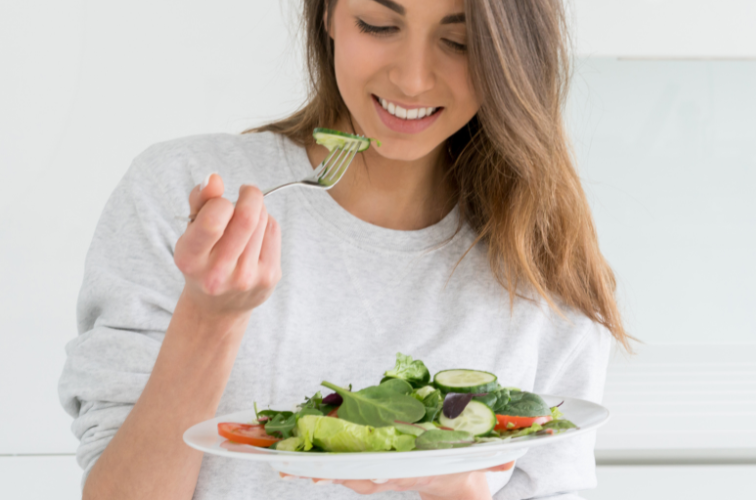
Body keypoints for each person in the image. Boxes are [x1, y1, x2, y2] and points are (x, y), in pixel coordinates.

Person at [58, 0, 629, 499]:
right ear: (329, 13)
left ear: (512, 54)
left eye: (459, 41)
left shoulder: (539, 258)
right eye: (379, 25)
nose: (411, 79)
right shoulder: (179, 188)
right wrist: (209, 321)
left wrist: (458, 484)